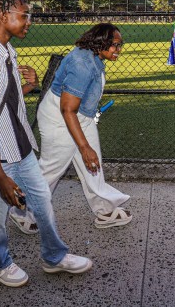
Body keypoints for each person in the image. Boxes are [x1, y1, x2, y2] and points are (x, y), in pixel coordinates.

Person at [0, 0, 92, 288]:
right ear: (3, 15)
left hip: (22, 147)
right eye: (24, 15)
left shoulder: (7, 50)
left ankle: (54, 256)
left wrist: (29, 87)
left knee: (43, 202)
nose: (29, 21)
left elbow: (3, 103)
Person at [9, 23, 132, 233]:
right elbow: (67, 109)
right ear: (101, 43)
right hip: (60, 119)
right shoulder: (83, 65)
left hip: (79, 117)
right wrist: (83, 147)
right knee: (50, 169)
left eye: (120, 45)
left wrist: (85, 145)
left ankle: (103, 210)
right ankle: (23, 212)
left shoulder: (92, 56)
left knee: (93, 164)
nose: (118, 50)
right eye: (115, 45)